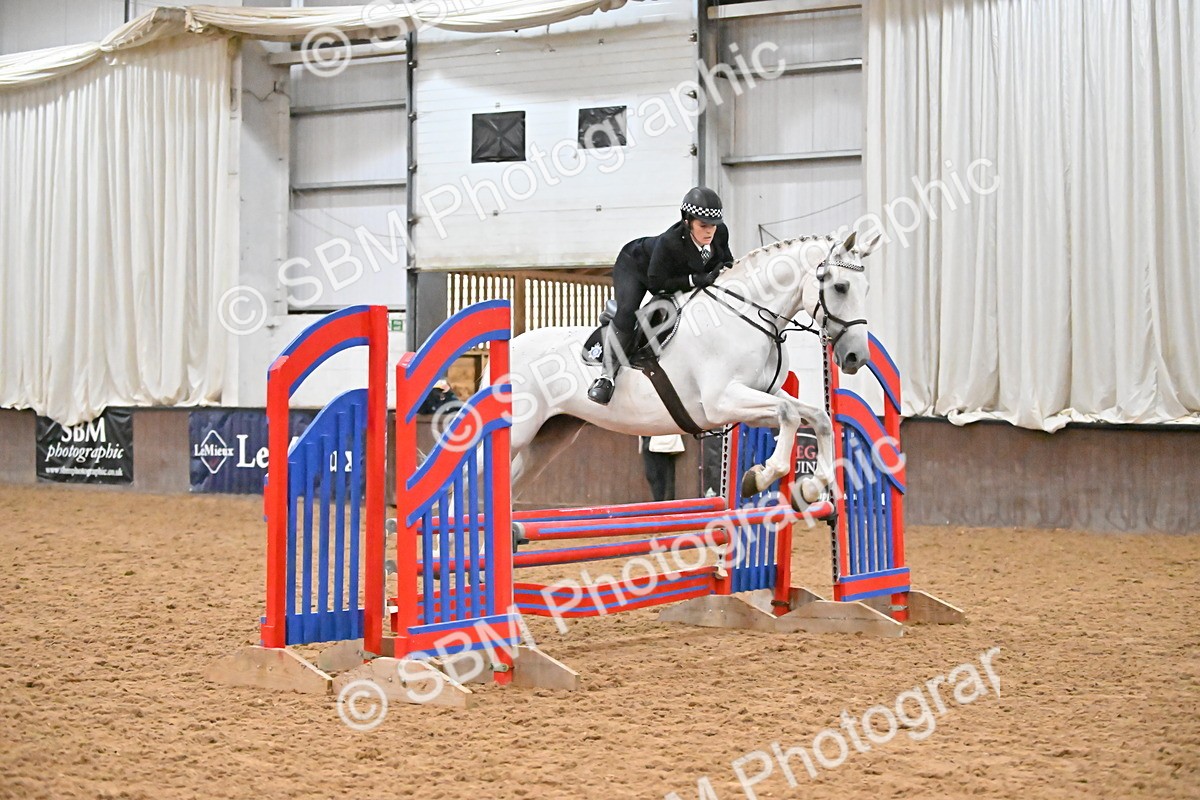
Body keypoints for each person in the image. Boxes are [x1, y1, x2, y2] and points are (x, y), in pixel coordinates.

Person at [587, 186, 734, 405]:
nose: (709, 232)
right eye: (703, 225)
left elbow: (727, 261)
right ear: (687, 221)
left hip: (672, 274)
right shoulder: (670, 242)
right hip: (636, 266)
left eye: (713, 225)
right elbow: (657, 285)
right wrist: (694, 280)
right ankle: (606, 377)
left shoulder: (719, 234)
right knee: (628, 313)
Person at [640, 434, 685, 502]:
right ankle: (660, 504)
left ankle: (662, 506)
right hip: (649, 437)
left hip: (662, 440)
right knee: (652, 476)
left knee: (661, 478)